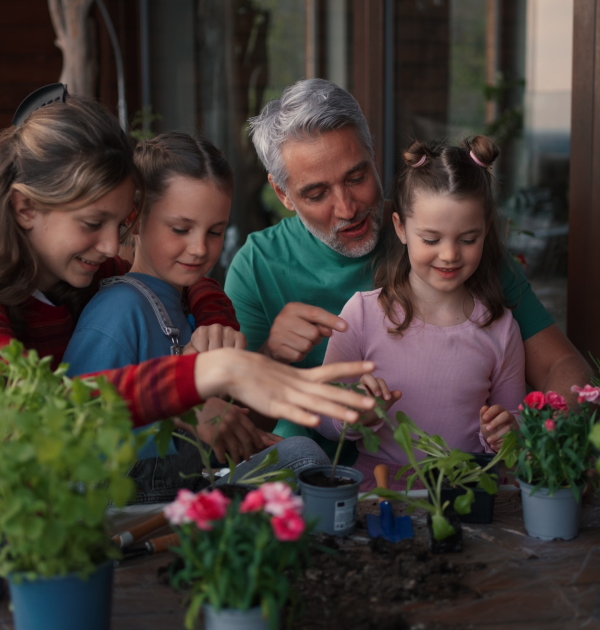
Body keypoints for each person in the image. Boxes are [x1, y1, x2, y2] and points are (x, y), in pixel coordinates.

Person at [0, 90, 378, 451]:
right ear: (25, 208)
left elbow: (168, 286)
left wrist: (214, 318)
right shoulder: (112, 301)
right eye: (91, 223)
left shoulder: (95, 269)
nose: (112, 246)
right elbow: (40, 411)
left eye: (118, 225)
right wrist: (193, 389)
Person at [224, 79, 590, 450]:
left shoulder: (452, 241)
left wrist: (537, 444)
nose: (347, 208)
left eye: (357, 177)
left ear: (374, 156)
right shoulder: (256, 268)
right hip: (317, 479)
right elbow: (236, 426)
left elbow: (564, 369)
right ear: (282, 194)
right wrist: (272, 357)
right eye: (317, 193)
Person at [64, 131, 283, 499]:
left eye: (215, 232)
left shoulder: (194, 309)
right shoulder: (118, 311)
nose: (199, 249)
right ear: (134, 218)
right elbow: (75, 431)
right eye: (180, 229)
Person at [317, 136, 526, 489]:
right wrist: (354, 416)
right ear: (400, 228)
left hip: (467, 493)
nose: (449, 255)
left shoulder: (500, 328)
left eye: (468, 239)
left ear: (486, 231)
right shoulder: (363, 315)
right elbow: (321, 413)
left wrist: (508, 431)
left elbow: (515, 420)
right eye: (431, 240)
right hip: (379, 494)